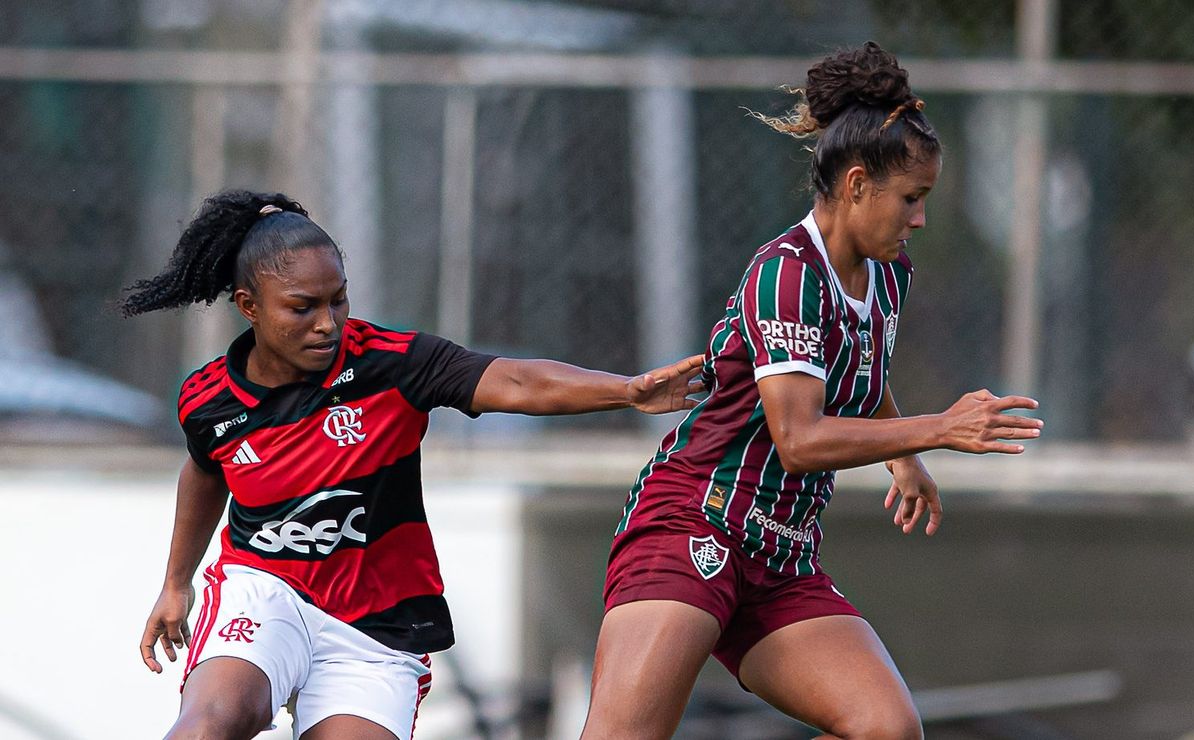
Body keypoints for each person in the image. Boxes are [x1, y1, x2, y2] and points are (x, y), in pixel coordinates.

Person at [581, 42, 1044, 740]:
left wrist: (902, 458)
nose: (919, 218)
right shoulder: (788, 274)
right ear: (857, 185)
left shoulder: (890, 273)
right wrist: (937, 429)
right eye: (911, 199)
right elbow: (798, 441)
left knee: (886, 728)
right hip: (694, 525)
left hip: (780, 557)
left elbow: (858, 373)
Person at [124, 190, 704, 740]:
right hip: (264, 589)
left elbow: (517, 380)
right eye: (302, 308)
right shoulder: (207, 400)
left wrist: (627, 391)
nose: (327, 323)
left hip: (376, 622)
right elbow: (205, 474)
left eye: (338, 299)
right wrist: (176, 584)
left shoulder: (392, 365)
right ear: (248, 306)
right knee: (207, 726)